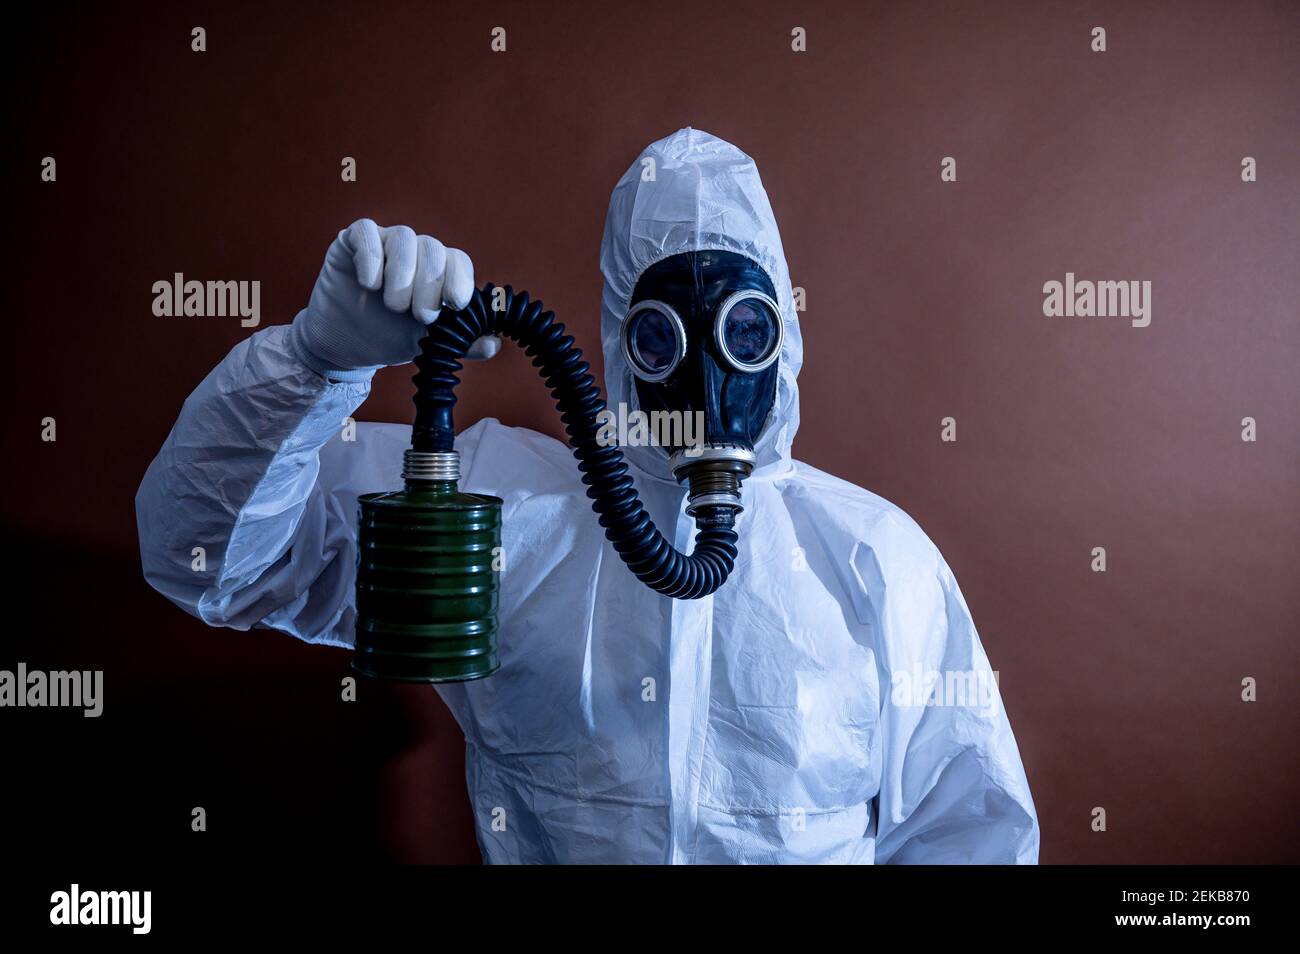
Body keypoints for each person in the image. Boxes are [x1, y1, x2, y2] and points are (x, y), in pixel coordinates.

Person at [136, 127, 1039, 864]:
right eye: (663, 337)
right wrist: (316, 363)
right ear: (617, 341)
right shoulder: (500, 512)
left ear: (784, 335)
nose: (707, 375)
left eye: (743, 329)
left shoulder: (874, 560)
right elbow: (206, 560)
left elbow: (969, 832)